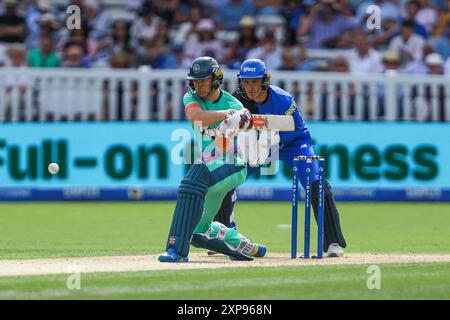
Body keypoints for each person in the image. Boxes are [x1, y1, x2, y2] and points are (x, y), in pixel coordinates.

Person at [211, 59, 347, 258]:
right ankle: (223, 238)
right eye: (246, 82)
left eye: (255, 81)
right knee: (225, 181)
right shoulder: (237, 101)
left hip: (292, 142)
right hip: (255, 145)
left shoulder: (283, 99)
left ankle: (333, 242)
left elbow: (297, 129)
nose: (250, 87)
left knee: (316, 182)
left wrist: (271, 142)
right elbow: (230, 130)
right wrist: (250, 145)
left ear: (265, 81)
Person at [158, 56, 266, 262]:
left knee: (190, 183)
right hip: (210, 165)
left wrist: (241, 118)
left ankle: (176, 251)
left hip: (233, 165)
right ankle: (241, 244)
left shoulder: (234, 102)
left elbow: (229, 140)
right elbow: (196, 116)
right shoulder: (192, 99)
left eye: (203, 80)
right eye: (195, 81)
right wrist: (227, 115)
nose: (198, 85)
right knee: (198, 230)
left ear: (216, 79)